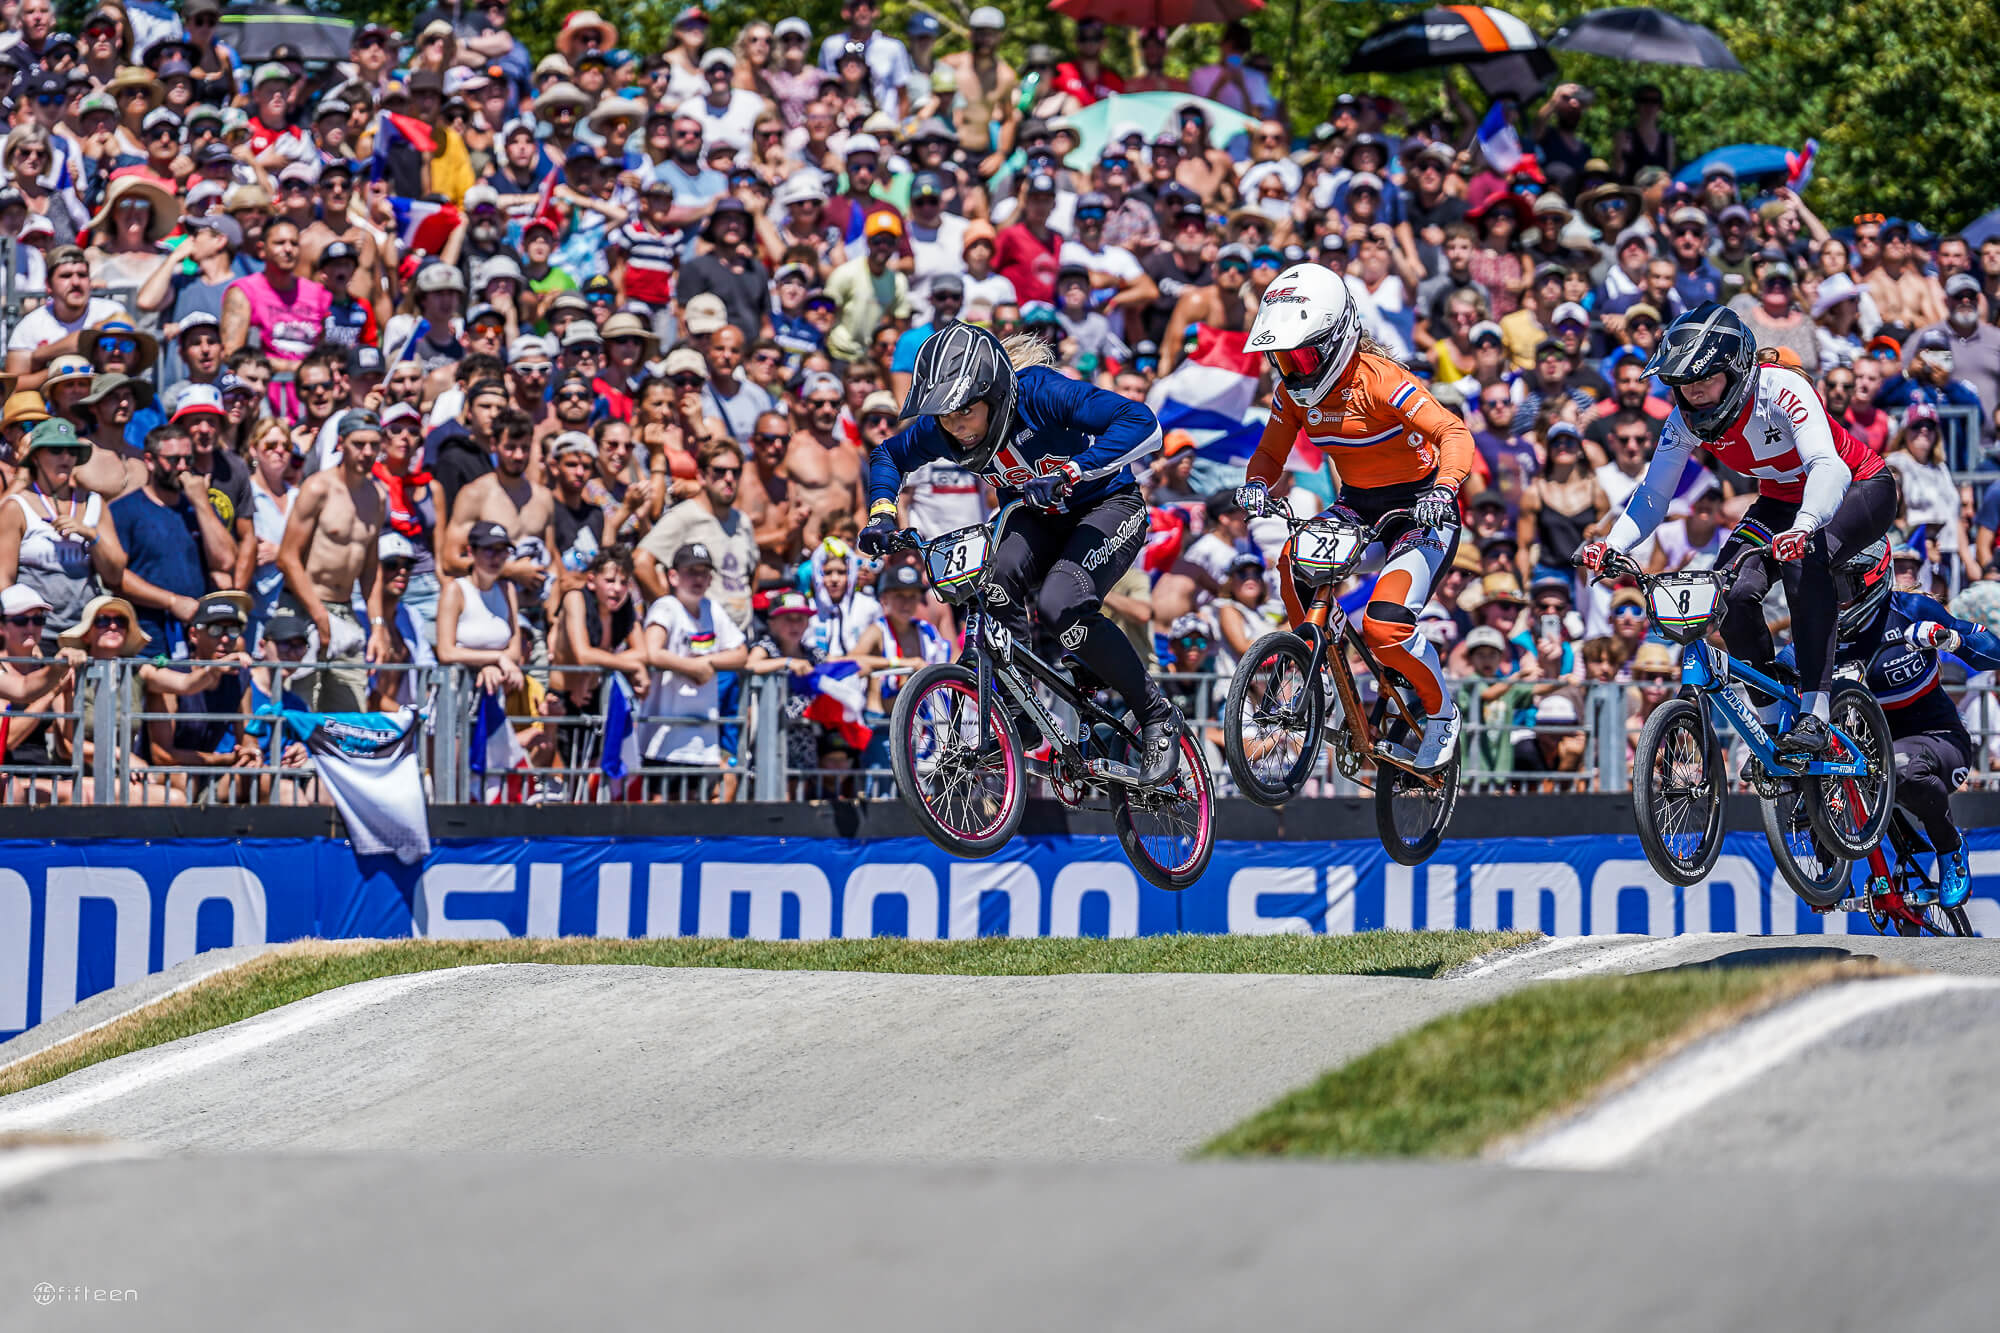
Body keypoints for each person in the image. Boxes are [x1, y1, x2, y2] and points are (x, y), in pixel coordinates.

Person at [858, 322, 1182, 784]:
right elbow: (888, 455)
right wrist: (882, 513)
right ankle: (1017, 714)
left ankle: (1155, 715)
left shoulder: (1040, 393)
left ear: (993, 393)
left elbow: (1142, 423)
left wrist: (1075, 470)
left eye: (965, 412)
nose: (956, 427)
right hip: (1040, 518)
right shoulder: (945, 429)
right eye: (946, 417)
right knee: (990, 580)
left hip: (1108, 507)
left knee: (1059, 604)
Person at [1581, 304, 1896, 755]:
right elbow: (1653, 497)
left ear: (1735, 371)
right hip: (1780, 503)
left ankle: (1815, 711)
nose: (1695, 395)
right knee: (1727, 591)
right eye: (1684, 385)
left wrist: (1806, 526)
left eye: (1705, 380)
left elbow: (1828, 467)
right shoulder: (1683, 420)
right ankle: (1768, 723)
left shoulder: (1781, 387)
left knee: (1805, 562)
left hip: (1856, 488)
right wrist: (1610, 545)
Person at [1236, 263, 1477, 770]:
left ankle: (1442, 713)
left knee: (1385, 627)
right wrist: (1255, 484)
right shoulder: (1291, 394)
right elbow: (1268, 455)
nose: (1294, 368)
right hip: (1358, 505)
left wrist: (1445, 487)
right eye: (1282, 357)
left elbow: (1453, 433)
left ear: (1337, 337)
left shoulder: (1383, 380)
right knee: (1291, 561)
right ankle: (1317, 661)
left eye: (1302, 354)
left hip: (1421, 510)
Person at [1788, 546, 2000, 908]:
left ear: (1870, 583)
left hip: (1939, 740)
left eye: (1846, 585)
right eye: (1833, 585)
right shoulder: (1823, 629)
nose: (1838, 597)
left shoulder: (1911, 610)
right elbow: (1781, 665)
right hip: (1870, 755)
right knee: (1799, 760)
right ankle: (1829, 871)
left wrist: (1950, 639)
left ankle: (1950, 847)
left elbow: (1993, 650)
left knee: (1898, 768)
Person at [275, 411, 385, 712]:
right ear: (341, 443)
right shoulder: (317, 488)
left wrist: (377, 626)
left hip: (345, 611)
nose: (367, 452)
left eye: (374, 445)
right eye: (358, 444)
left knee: (351, 714)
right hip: (303, 608)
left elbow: (371, 569)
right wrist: (319, 614)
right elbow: (287, 558)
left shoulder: (377, 496)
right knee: (299, 709)